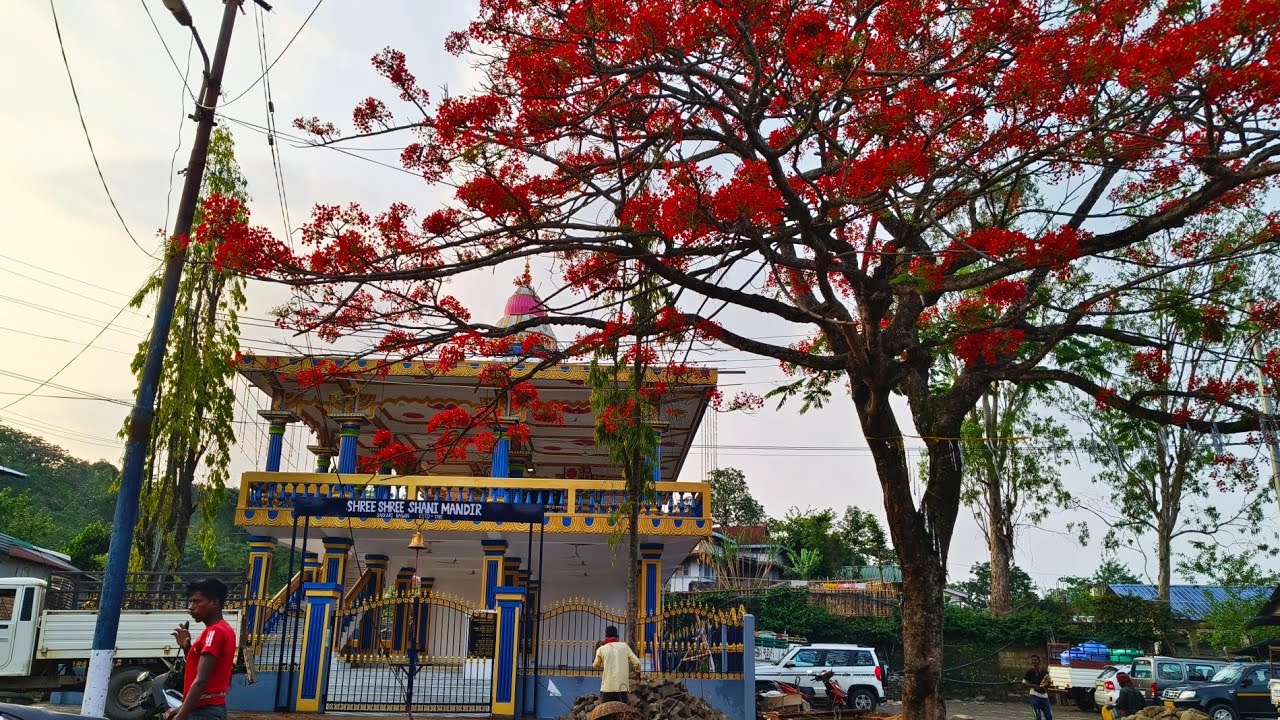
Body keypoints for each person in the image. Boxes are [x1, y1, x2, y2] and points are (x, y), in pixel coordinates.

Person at [167, 579, 237, 720]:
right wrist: (187, 648)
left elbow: (201, 681)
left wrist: (180, 716)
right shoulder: (225, 629)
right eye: (191, 602)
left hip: (204, 711)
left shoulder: (214, 632)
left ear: (213, 602)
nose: (191, 607)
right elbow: (208, 672)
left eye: (197, 601)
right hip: (209, 708)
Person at [592, 625, 641, 704]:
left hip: (607, 688)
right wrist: (638, 673)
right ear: (617, 636)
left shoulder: (601, 649)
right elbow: (637, 662)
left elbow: (595, 666)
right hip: (622, 688)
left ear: (605, 636)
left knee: (606, 713)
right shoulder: (625, 646)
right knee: (622, 713)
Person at [1024, 654, 1052, 720]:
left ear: (1039, 661)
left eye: (1035, 660)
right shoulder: (1029, 672)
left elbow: (1048, 685)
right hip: (1034, 696)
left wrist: (1049, 682)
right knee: (1037, 717)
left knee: (1049, 717)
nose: (1033, 662)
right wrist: (1034, 686)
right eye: (1032, 660)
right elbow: (1024, 683)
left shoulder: (1044, 672)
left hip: (1044, 696)